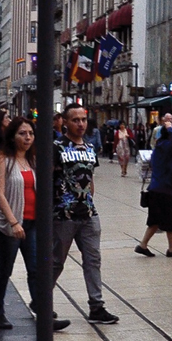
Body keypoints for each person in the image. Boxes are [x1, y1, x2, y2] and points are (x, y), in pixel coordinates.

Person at [52, 103, 119, 327]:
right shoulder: (56, 147)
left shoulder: (89, 147)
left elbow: (90, 178)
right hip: (63, 214)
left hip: (88, 212)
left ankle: (96, 305)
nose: (80, 124)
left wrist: (90, 199)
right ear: (65, 122)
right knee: (56, 261)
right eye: (75, 120)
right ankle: (41, 299)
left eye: (83, 120)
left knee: (93, 259)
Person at [0, 118, 50, 329]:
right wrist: (13, 222)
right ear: (12, 136)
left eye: (30, 133)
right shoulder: (2, 159)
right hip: (9, 225)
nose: (28, 138)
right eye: (22, 133)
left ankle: (42, 312)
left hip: (31, 222)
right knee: (5, 268)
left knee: (35, 269)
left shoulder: (33, 160)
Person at [136, 114, 172, 258]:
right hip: (166, 188)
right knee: (170, 220)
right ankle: (171, 249)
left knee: (156, 220)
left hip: (157, 188)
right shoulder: (167, 146)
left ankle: (143, 245)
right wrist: (170, 127)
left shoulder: (159, 147)